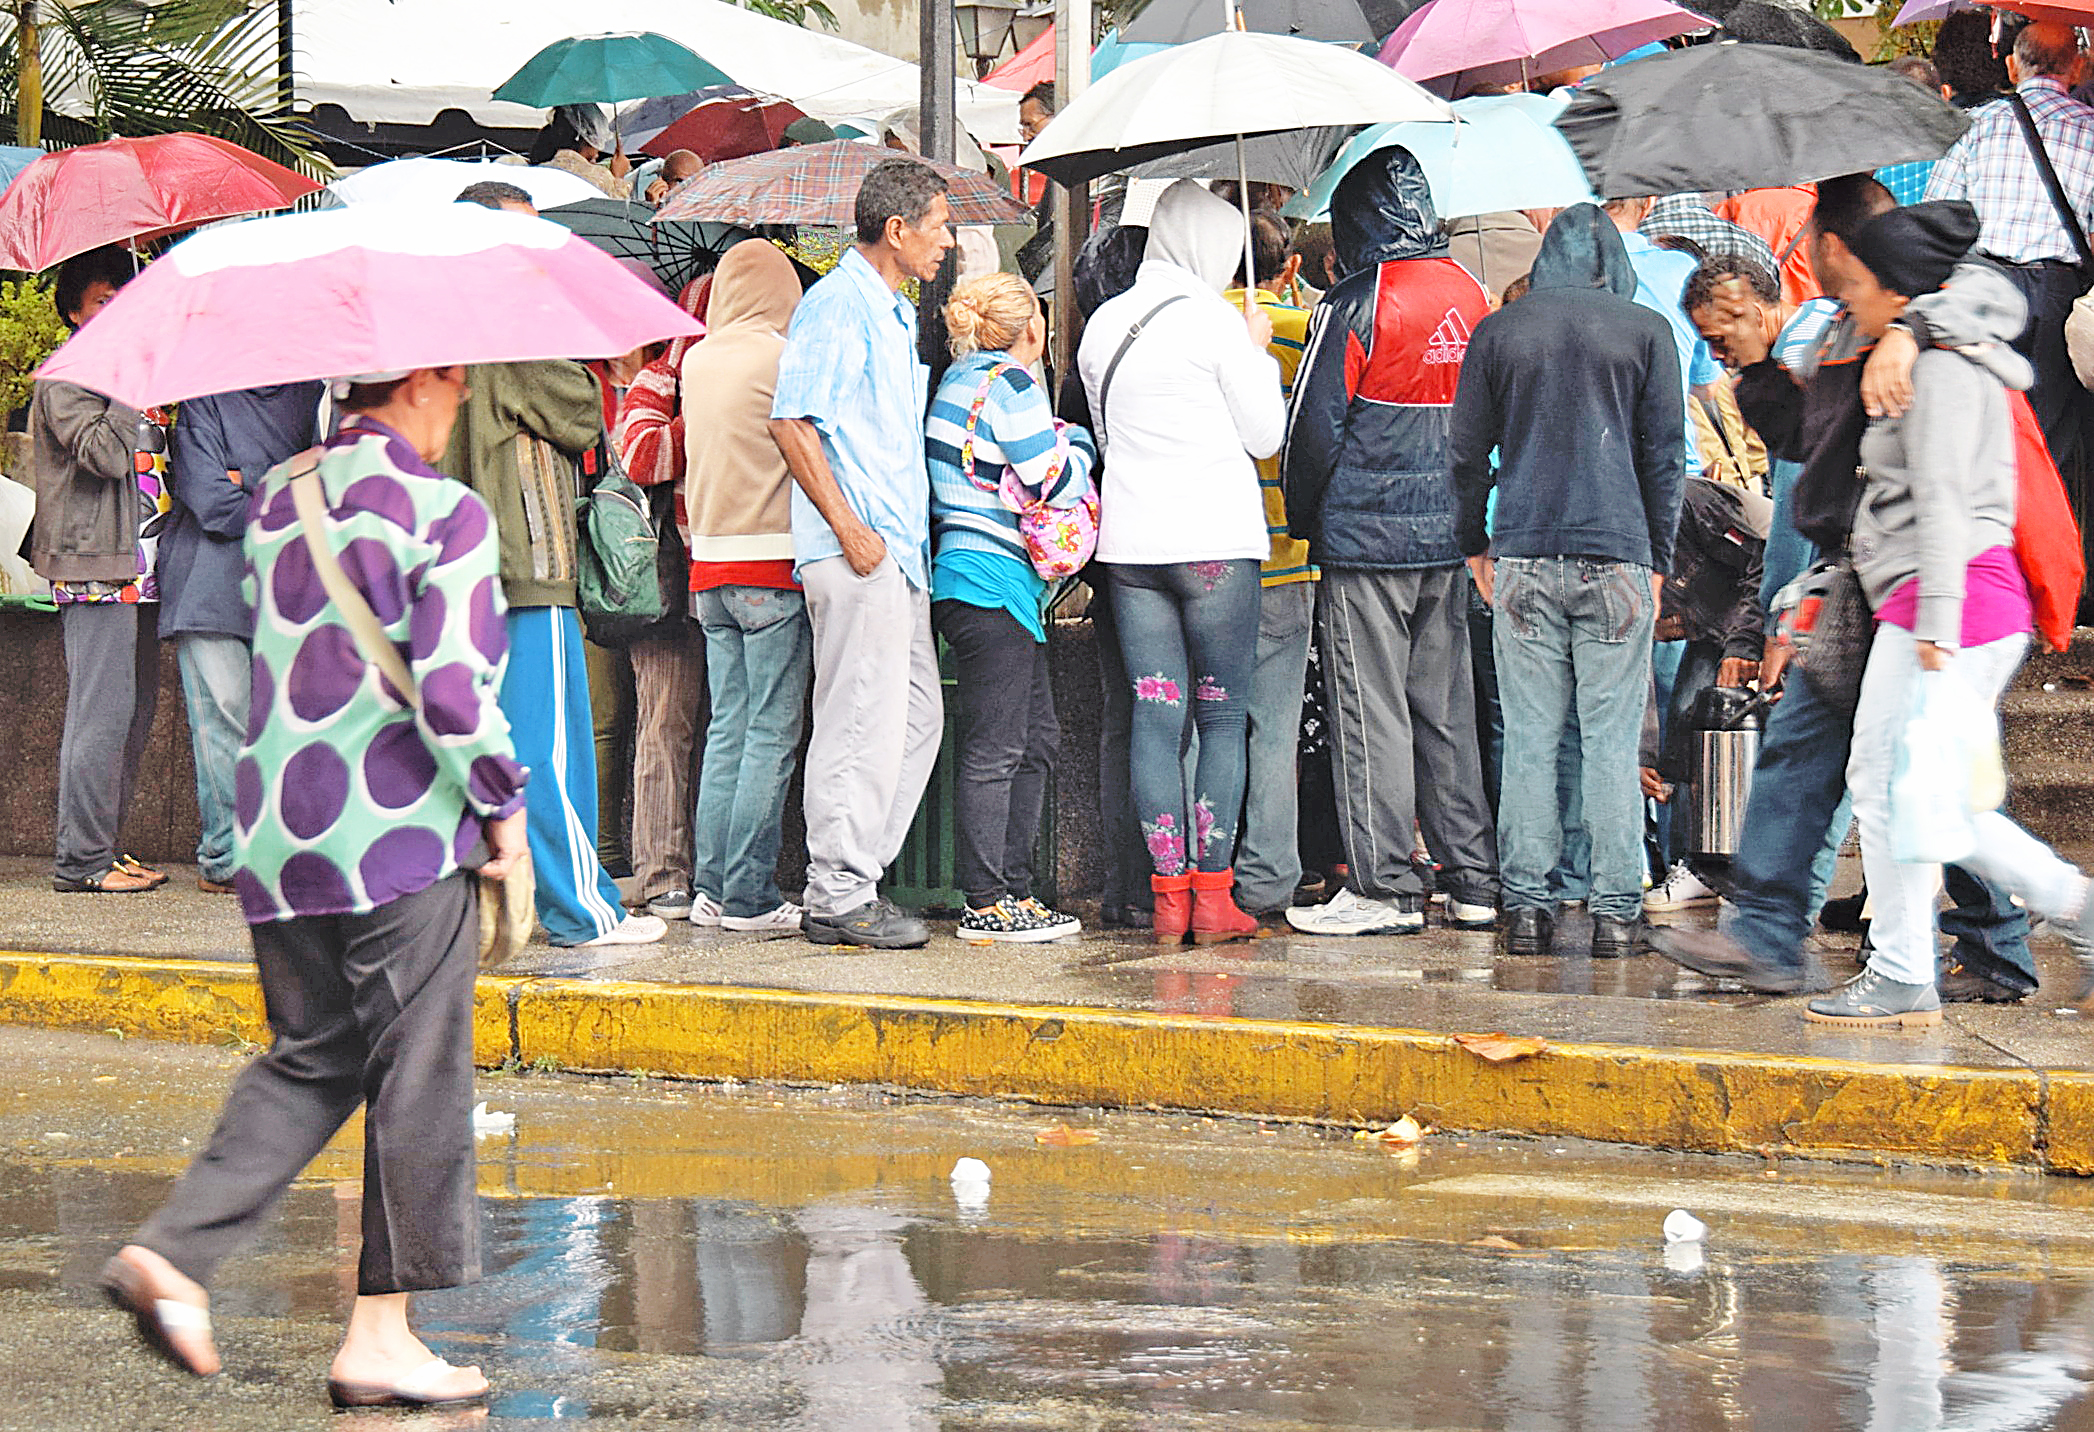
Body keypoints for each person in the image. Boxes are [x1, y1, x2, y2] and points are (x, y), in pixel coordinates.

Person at [104, 365, 526, 1409]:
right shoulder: (448, 514)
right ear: (426, 381)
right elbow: (455, 692)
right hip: (398, 834)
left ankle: (174, 1254)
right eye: (459, 384)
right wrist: (506, 817)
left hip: (281, 832)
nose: (460, 401)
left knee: (315, 1058)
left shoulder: (283, 508)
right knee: (420, 1072)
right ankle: (382, 1332)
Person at [1651, 177, 2034, 999]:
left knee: (1904, 775)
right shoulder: (1836, 329)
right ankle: (1775, 939)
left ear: (1834, 245)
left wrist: (1910, 327)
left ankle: (1992, 936)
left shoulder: (1926, 302)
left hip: (1913, 575)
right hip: (1866, 570)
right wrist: (1755, 365)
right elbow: (1806, 440)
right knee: (1845, 761)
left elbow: (1998, 298)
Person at [1805, 202, 2094, 1025]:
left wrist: (1934, 623)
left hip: (1951, 600)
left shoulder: (1937, 370)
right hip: (1950, 599)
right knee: (1901, 789)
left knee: (1914, 797)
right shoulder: (1945, 352)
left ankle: (1922, 959)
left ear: (1895, 290)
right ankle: (1922, 959)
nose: (1849, 300)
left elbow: (1943, 502)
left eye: (1858, 285)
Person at [1450, 204, 1685, 960]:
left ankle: (1525, 908)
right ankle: (1617, 912)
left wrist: (1473, 547)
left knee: (1529, 739)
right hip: (1619, 556)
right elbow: (1664, 459)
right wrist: (1658, 559)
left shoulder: (1499, 331)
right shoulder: (1647, 332)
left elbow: (1463, 454)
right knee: (1612, 742)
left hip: (1521, 553)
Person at [1282, 149, 1498, 937]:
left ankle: (1385, 887)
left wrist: (1309, 519)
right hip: (1452, 534)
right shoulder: (1471, 292)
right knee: (1447, 713)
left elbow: (1311, 431)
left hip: (1365, 540)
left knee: (1370, 714)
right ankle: (1473, 879)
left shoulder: (1357, 302)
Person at [1077, 180, 1285, 945]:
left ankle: (1167, 901)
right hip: (1215, 549)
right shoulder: (1220, 324)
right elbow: (1265, 436)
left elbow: (1103, 430)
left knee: (1155, 721)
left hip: (1132, 550)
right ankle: (1215, 897)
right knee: (1222, 720)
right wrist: (1256, 353)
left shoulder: (1104, 322)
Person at [770, 158, 953, 949]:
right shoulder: (838, 304)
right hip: (861, 549)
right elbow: (791, 422)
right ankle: (839, 889)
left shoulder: (884, 307)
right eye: (940, 226)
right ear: (897, 230)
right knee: (859, 721)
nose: (948, 242)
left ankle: (853, 877)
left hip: (892, 550)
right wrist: (847, 528)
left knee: (914, 717)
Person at [444, 357, 666, 947]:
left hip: (454, 567)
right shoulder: (513, 345)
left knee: (479, 741)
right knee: (548, 748)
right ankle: (582, 910)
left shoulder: (431, 336)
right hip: (526, 568)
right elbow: (583, 410)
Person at [927, 273, 1096, 941]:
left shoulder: (956, 380)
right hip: (993, 581)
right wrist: (1077, 445)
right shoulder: (1013, 384)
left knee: (1037, 739)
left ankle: (1013, 891)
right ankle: (989, 901)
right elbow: (1048, 479)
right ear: (1031, 328)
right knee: (999, 746)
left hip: (967, 581)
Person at [29, 246, 172, 895]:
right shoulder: (67, 376)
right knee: (102, 713)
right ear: (73, 310)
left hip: (145, 566)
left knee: (135, 713)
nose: (117, 315)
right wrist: (131, 385)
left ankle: (105, 849)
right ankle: (80, 861)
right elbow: (109, 455)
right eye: (103, 304)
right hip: (97, 567)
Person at [683, 240, 814, 933]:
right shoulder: (779, 355)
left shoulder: (697, 360)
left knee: (727, 728)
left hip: (709, 569)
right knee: (770, 733)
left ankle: (711, 887)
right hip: (772, 567)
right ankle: (750, 896)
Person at [1926, 22, 2094, 520]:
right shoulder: (2090, 129)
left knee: (1985, 428)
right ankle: (2048, 550)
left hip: (1981, 288)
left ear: (2013, 65)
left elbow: (1940, 212)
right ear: (2077, 66)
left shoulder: (1978, 125)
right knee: (2053, 438)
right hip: (2059, 298)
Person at [159, 382, 323, 894]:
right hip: (208, 585)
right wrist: (286, 481)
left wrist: (247, 478)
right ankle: (226, 856)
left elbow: (331, 487)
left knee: (283, 728)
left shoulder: (314, 396)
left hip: (288, 584)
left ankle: (271, 852)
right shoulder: (203, 396)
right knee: (223, 727)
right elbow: (210, 500)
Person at [1215, 213, 1316, 924]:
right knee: (1274, 729)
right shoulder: (1306, 332)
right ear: (1287, 270)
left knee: (1205, 721)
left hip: (1212, 552)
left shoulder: (1197, 327)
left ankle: (1204, 865)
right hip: (1289, 555)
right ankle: (1270, 876)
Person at [530, 103, 631, 198]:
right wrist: (618, 178)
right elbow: (618, 210)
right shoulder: (600, 177)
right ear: (587, 137)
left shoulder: (539, 171)